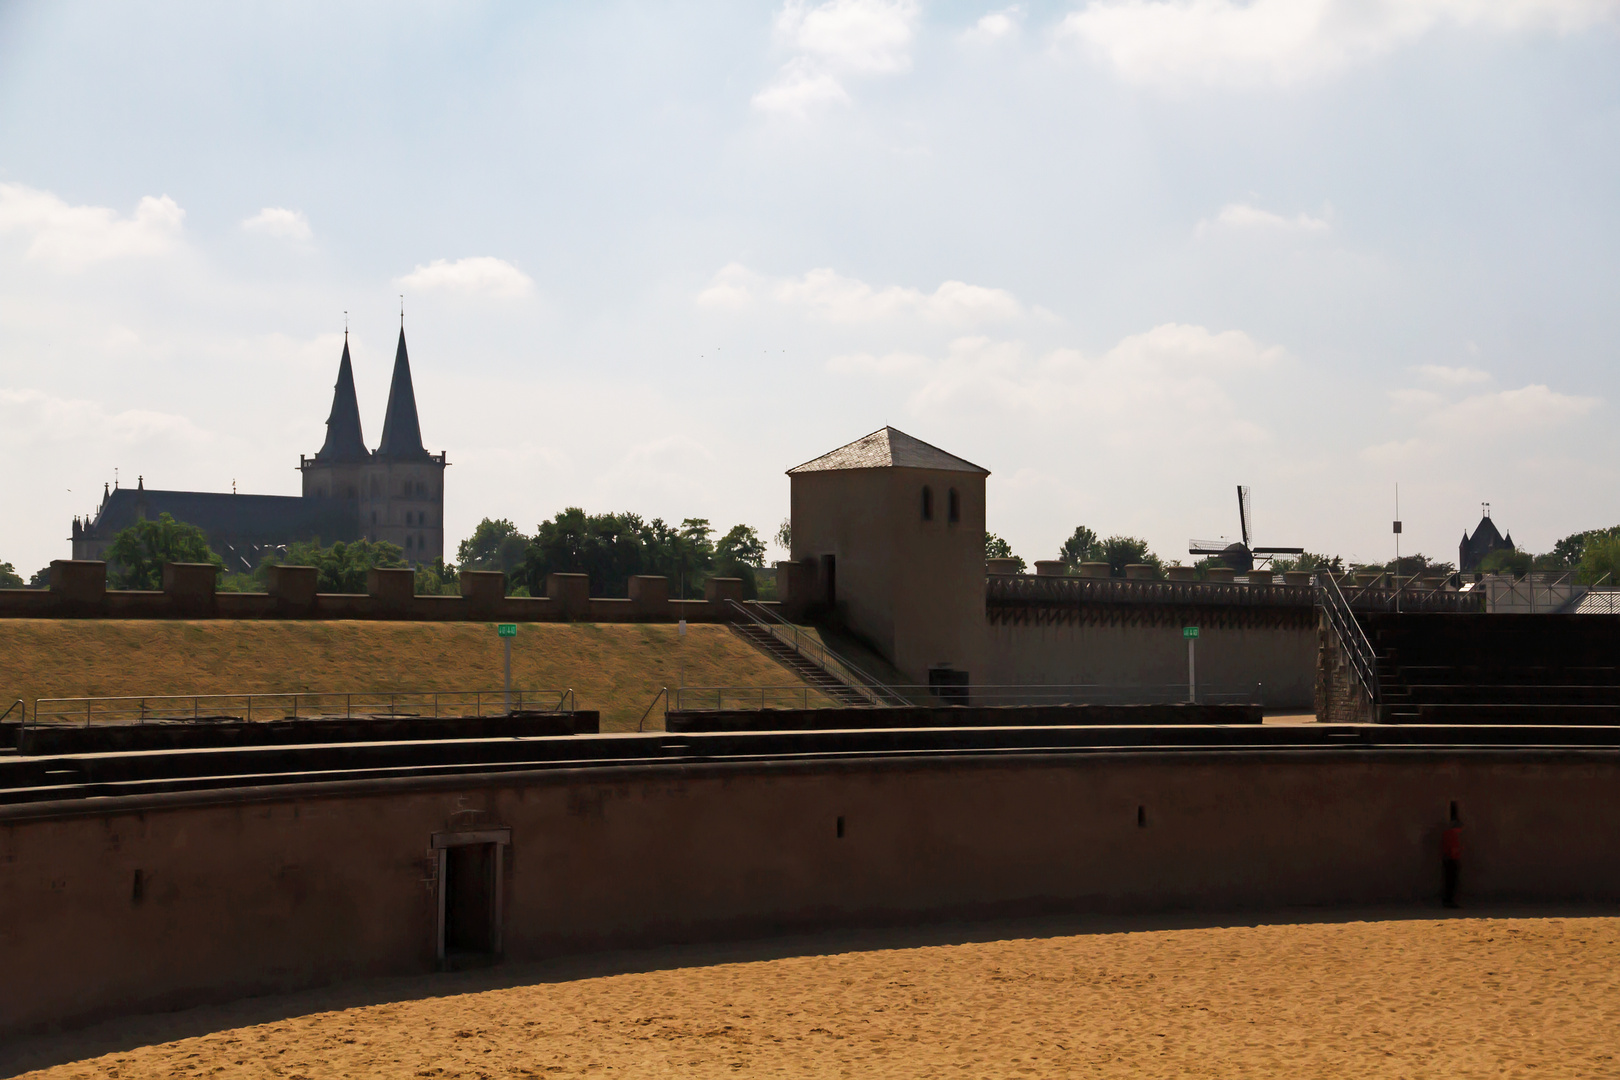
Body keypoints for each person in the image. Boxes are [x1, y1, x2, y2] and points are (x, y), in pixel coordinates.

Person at [1441, 816, 1464, 908]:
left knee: (1448, 881)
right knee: (1452, 882)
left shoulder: (1445, 834)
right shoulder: (1453, 835)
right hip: (1452, 860)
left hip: (1446, 859)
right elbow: (1453, 849)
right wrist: (1460, 850)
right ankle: (1450, 901)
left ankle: (1447, 900)